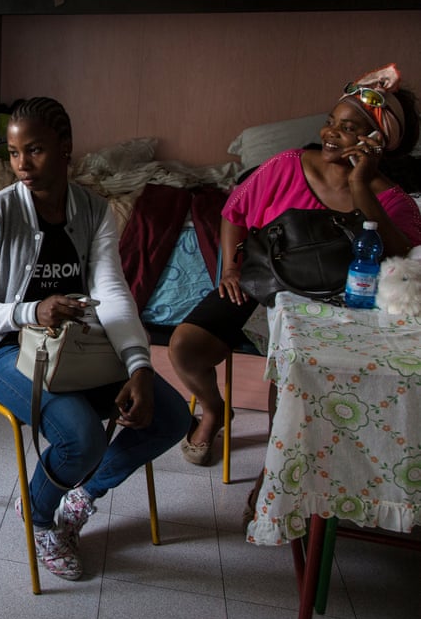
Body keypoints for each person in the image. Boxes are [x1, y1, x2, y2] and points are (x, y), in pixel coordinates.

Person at [0, 97, 191, 581]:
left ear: (65, 147)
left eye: (34, 150)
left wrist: (139, 365)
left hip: (69, 343)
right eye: (14, 153)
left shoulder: (94, 212)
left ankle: (80, 496)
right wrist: (30, 311)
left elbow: (112, 293)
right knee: (81, 436)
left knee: (171, 416)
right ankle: (38, 515)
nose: (22, 165)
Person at [169, 64, 421, 467]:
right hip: (263, 279)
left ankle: (277, 470)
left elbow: (402, 259)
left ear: (377, 141)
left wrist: (360, 184)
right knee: (185, 347)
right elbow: (234, 212)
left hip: (331, 300)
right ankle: (215, 411)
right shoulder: (287, 165)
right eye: (331, 122)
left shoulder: (394, 202)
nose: (330, 133)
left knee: (291, 382)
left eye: (348, 128)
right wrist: (230, 268)